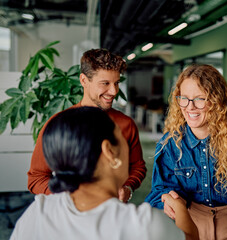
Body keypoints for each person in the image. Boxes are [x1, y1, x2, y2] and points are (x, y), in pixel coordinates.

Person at [11, 107, 198, 240]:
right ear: (109, 151)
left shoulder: (38, 211)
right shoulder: (143, 224)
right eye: (120, 138)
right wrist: (181, 209)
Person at [145, 64, 227, 240]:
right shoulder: (170, 143)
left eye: (199, 99)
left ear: (217, 100)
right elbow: (159, 190)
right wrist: (166, 201)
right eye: (184, 98)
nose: (190, 107)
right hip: (189, 224)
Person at [27, 48, 146, 202]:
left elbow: (138, 166)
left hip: (112, 215)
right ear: (84, 80)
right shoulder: (59, 124)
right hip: (70, 216)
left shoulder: (126, 124)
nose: (113, 91)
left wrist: (128, 188)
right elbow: (36, 179)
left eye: (116, 83)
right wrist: (74, 198)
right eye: (105, 83)